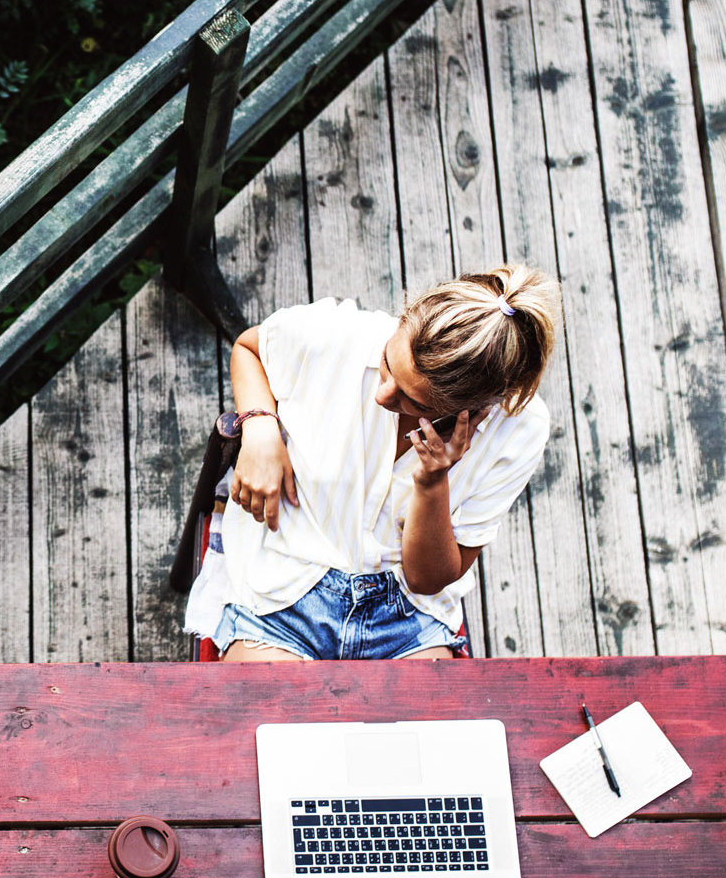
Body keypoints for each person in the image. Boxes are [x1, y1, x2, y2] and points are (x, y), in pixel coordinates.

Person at [190, 265, 560, 662]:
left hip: (403, 614)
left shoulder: (521, 430)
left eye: (414, 402)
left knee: (429, 726)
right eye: (387, 363)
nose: (384, 395)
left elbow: (426, 580)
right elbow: (249, 348)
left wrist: (433, 481)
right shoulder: (339, 334)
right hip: (284, 582)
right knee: (271, 722)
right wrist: (260, 427)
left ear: (476, 407)